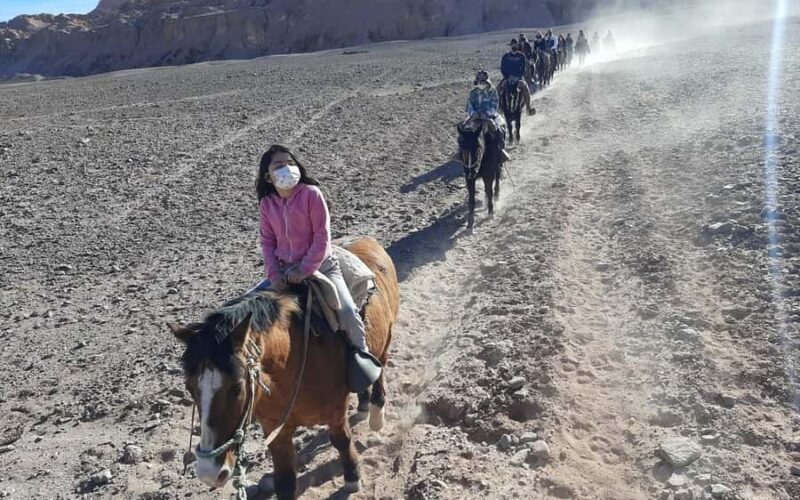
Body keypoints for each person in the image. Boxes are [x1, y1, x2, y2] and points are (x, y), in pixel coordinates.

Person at [256, 145, 372, 355]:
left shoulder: (311, 194)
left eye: (290, 163)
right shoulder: (267, 204)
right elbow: (267, 243)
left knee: (347, 312)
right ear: (267, 176)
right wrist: (274, 275)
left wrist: (304, 269)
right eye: (279, 165)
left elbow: (322, 236)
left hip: (323, 267)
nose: (287, 168)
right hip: (284, 270)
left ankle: (363, 357)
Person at [465, 70, 509, 161]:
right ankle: (462, 152)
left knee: (499, 128)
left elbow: (495, 104)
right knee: (464, 129)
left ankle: (501, 150)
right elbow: (469, 105)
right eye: (480, 81)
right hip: (475, 117)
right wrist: (473, 113)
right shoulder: (472, 92)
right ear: (477, 81)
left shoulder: (492, 91)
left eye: (484, 81)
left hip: (489, 116)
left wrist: (487, 113)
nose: (482, 83)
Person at [500, 39, 535, 115]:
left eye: (515, 45)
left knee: (525, 87)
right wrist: (506, 77)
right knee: (497, 89)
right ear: (510, 46)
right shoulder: (505, 56)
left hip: (518, 78)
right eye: (512, 45)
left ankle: (528, 108)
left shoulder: (521, 56)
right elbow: (502, 68)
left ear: (517, 46)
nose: (514, 46)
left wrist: (518, 77)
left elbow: (523, 68)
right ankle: (497, 109)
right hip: (507, 78)